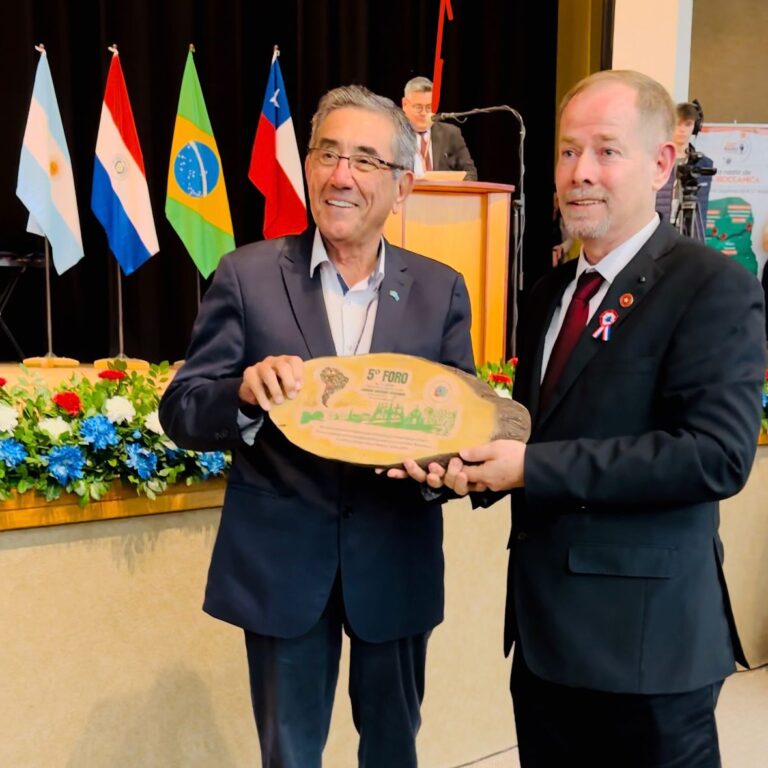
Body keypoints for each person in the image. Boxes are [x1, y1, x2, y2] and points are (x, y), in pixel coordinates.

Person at [419, 70, 766, 767]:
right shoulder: (548, 294)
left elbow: (715, 455)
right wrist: (459, 467)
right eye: (568, 152)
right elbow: (530, 439)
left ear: (661, 162)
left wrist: (530, 468)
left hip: (649, 650)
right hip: (546, 646)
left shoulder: (710, 285)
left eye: (607, 151)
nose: (581, 173)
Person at [158, 85, 474, 768]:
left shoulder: (440, 289)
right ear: (306, 166)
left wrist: (443, 471)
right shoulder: (246, 276)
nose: (341, 176)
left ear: (401, 185)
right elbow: (181, 408)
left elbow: (457, 430)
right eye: (327, 154)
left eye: (364, 161)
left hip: (396, 560)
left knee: (393, 752)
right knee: (289, 757)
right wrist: (242, 396)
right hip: (282, 569)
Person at [656, 101, 714, 239]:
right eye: (678, 123)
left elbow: (702, 209)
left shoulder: (703, 164)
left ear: (695, 127)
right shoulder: (655, 159)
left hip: (689, 235)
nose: (682, 130)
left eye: (687, 124)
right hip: (659, 231)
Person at [401, 76, 478, 180]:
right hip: (408, 194)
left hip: (443, 194)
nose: (424, 113)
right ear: (405, 104)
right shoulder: (394, 134)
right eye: (418, 107)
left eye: (429, 107)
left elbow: (471, 174)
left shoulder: (450, 134)